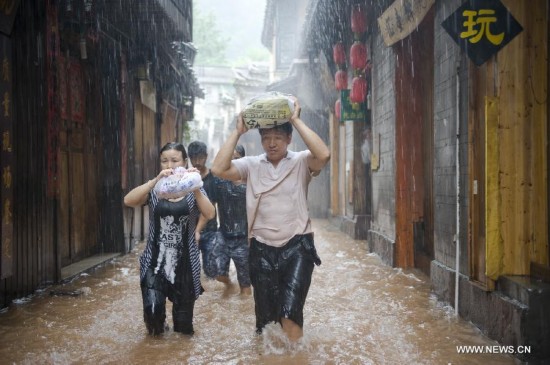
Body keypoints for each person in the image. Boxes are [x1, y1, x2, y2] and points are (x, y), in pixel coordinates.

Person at [211, 98, 330, 341]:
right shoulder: (251, 165)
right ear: (260, 140)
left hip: (298, 247)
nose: (272, 143)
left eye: (278, 137)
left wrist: (295, 119)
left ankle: (295, 358)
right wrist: (237, 132)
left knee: (289, 314)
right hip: (261, 250)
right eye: (266, 138)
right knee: (266, 324)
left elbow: (324, 154)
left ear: (289, 138)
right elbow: (218, 169)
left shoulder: (301, 161)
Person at [124, 142, 215, 336]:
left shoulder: (193, 188)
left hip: (185, 264)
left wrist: (195, 185)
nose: (169, 165)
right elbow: (128, 200)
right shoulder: (156, 189)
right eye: (164, 161)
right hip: (154, 263)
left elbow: (210, 213)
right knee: (153, 318)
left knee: (183, 329)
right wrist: (154, 181)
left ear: (184, 161)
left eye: (175, 160)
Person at [208, 144, 251, 295]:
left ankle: (245, 308)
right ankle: (229, 285)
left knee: (245, 283)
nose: (233, 163)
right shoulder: (219, 182)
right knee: (217, 273)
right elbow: (209, 205)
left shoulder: (251, 183)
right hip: (224, 234)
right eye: (230, 160)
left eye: (237, 159)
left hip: (244, 238)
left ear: (243, 161)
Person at [187, 141, 221, 279]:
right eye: (194, 158)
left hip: (209, 231)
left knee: (211, 271)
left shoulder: (213, 178)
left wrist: (198, 231)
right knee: (190, 272)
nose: (197, 162)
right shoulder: (186, 178)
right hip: (189, 231)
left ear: (206, 157)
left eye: (200, 157)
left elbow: (208, 210)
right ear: (189, 158)